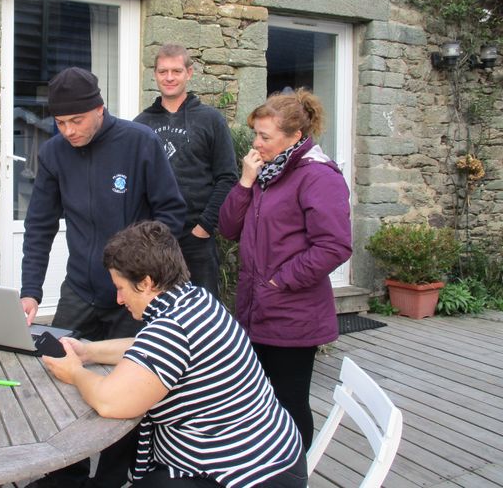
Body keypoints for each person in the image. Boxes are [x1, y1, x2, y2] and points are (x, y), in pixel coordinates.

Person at [43, 220, 306, 488]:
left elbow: (110, 401)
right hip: (271, 453)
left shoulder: (173, 328)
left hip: (250, 474)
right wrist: (87, 352)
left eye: (121, 288)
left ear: (146, 283)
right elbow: (147, 349)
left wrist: (75, 372)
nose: (119, 299)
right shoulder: (194, 299)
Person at [19, 67, 186, 488]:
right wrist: (30, 290)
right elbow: (39, 224)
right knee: (58, 373)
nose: (68, 131)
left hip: (131, 295)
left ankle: (110, 479)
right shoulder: (54, 153)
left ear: (99, 109)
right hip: (79, 289)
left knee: (125, 389)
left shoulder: (140, 142)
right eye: (60, 123)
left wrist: (138, 275)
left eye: (76, 121)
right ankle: (65, 475)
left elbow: (171, 214)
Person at [218, 89, 352, 450]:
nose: (256, 143)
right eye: (255, 134)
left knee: (289, 403)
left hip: (293, 313)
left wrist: (280, 280)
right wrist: (245, 181)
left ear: (295, 136)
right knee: (259, 402)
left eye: (265, 136)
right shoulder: (266, 172)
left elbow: (334, 246)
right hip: (256, 308)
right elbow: (228, 228)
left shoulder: (318, 176)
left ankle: (294, 471)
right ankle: (266, 465)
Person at [135, 44, 237, 297]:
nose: (169, 77)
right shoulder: (141, 125)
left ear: (189, 73)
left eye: (176, 71)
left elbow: (227, 177)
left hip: (197, 239)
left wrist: (204, 227)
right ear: (155, 74)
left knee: (203, 309)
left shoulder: (211, 120)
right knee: (156, 308)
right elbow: (135, 183)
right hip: (154, 239)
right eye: (163, 71)